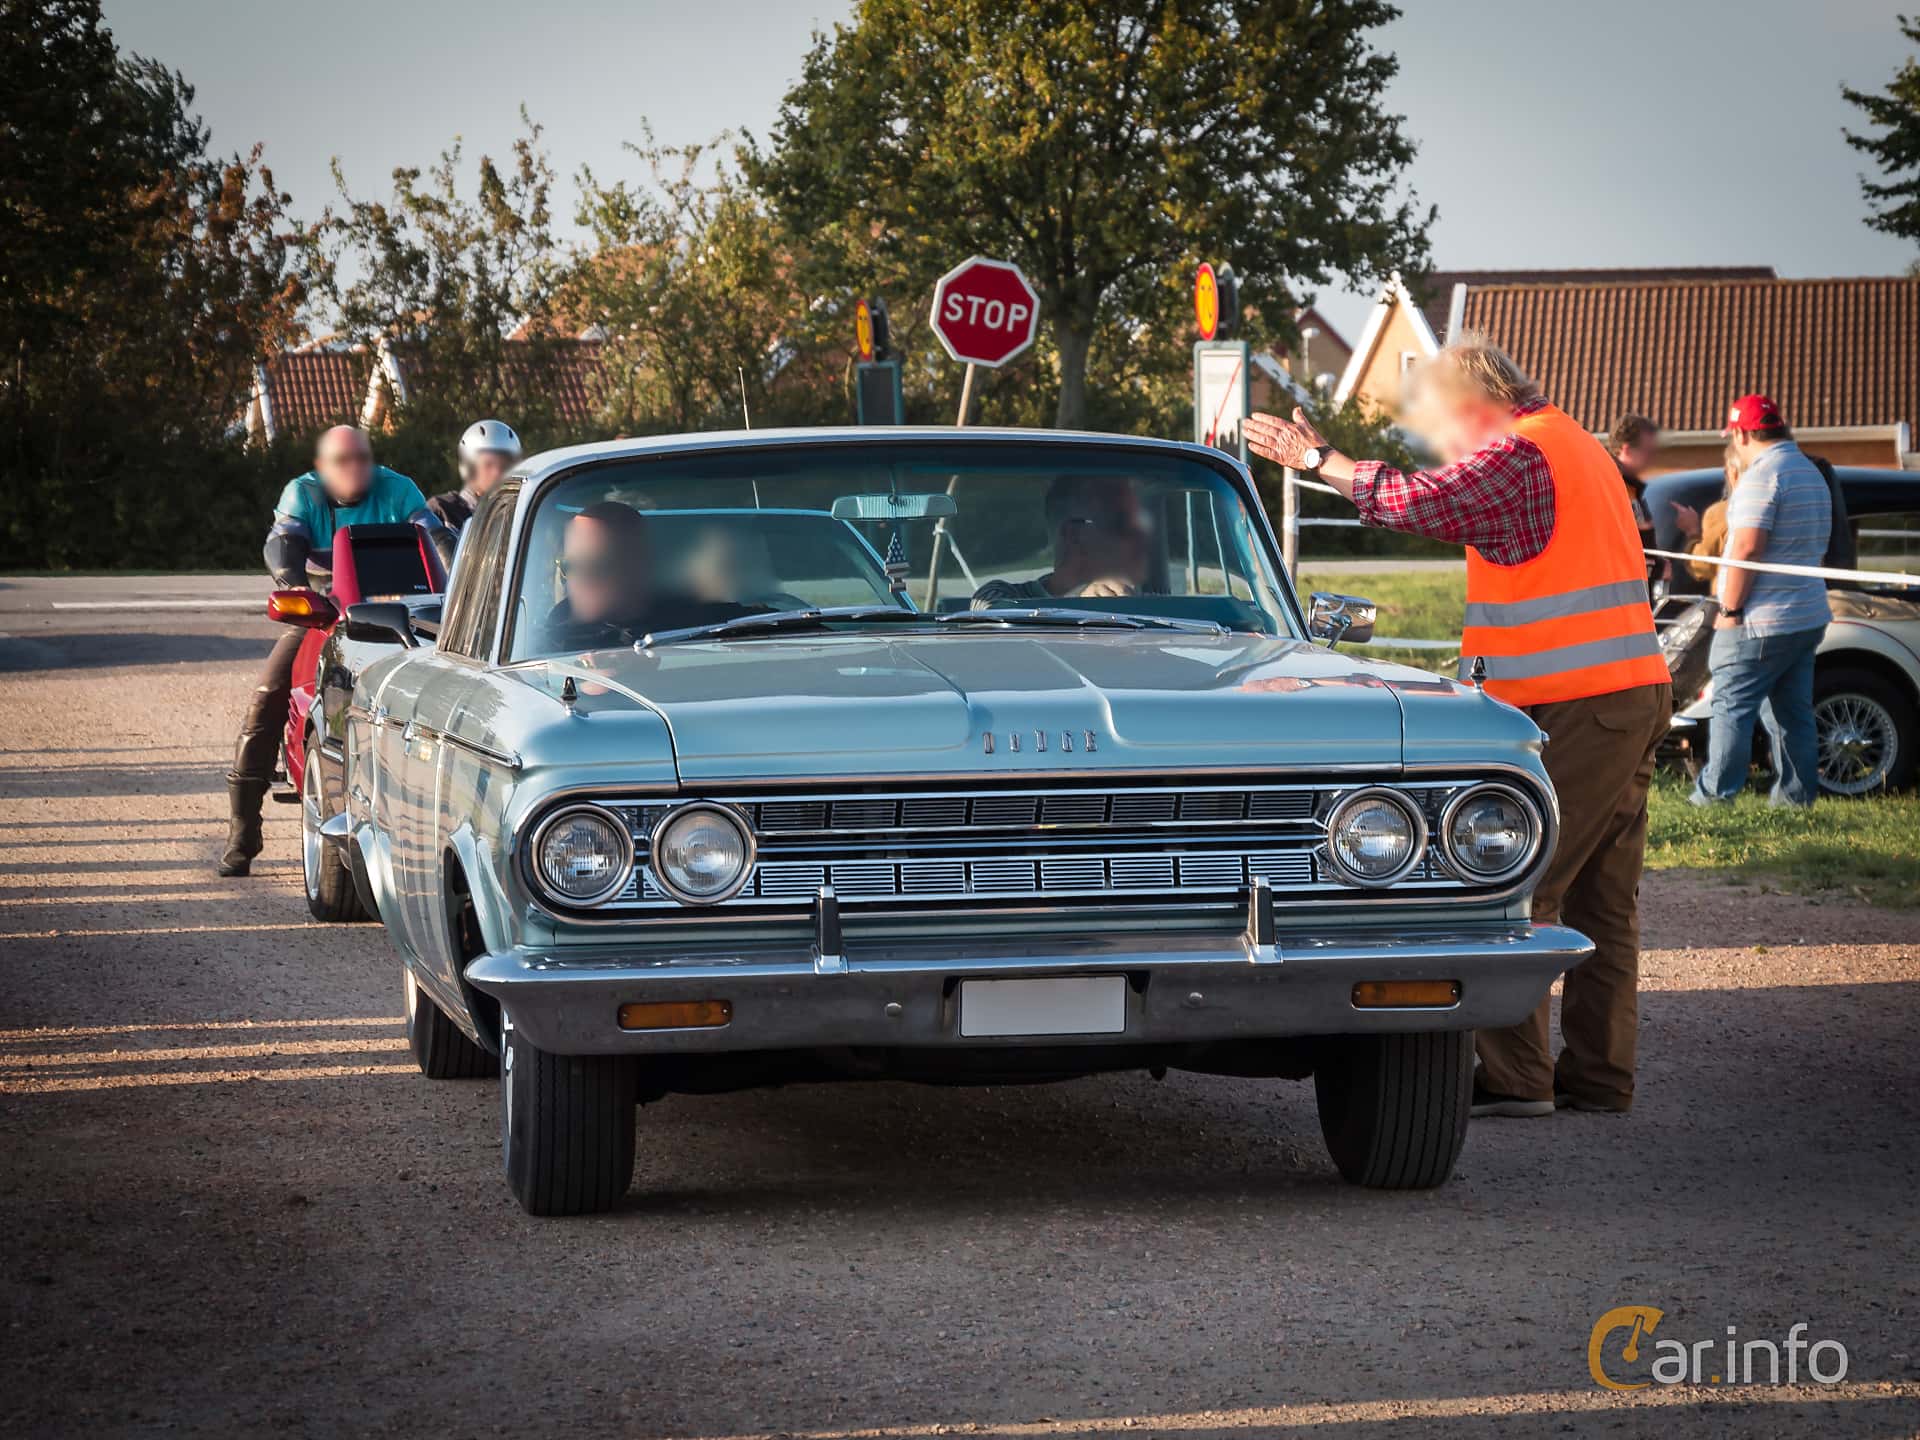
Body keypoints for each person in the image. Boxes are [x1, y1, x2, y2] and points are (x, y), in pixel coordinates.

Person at [1245, 334, 1671, 1120]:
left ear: (1475, 405)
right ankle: (1600, 1079)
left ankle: (1517, 1080)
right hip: (1622, 694)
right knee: (1604, 900)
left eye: (1446, 426)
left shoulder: (1521, 452)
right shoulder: (1571, 443)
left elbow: (1426, 501)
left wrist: (1321, 464)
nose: (1445, 447)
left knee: (1516, 884)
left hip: (1576, 702)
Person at [218, 426, 449, 877]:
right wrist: (293, 582)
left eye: (362, 457)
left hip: (406, 603)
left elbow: (436, 537)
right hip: (330, 601)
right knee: (269, 694)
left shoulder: (399, 488)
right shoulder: (301, 493)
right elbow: (282, 544)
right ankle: (243, 831)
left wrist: (458, 574)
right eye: (342, 461)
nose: (355, 468)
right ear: (321, 467)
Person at [1689, 394, 1832, 808]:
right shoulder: (1810, 472)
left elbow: (1747, 548)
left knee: (1731, 706)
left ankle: (1715, 798)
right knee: (1793, 714)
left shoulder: (1762, 475)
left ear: (1743, 433)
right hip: (1804, 615)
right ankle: (1795, 798)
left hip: (1758, 620)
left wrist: (1730, 610)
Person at [541, 501, 757, 650]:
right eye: (571, 567)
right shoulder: (544, 647)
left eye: (600, 565)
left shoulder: (702, 623)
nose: (583, 579)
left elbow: (761, 626)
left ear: (640, 566)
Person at [971, 474, 1151, 608]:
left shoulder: (1142, 604)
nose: (1135, 535)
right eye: (1119, 523)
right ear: (1074, 534)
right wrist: (1079, 608)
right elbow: (1000, 633)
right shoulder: (998, 595)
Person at [428, 419, 523, 533]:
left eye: (504, 465)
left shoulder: (524, 512)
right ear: (470, 467)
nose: (497, 472)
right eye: (488, 464)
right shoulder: (442, 511)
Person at [1608, 413, 1662, 592]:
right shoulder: (1617, 486)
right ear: (1627, 450)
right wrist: (1658, 568)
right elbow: (1624, 546)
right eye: (1648, 451)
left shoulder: (1630, 487)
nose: (1652, 458)